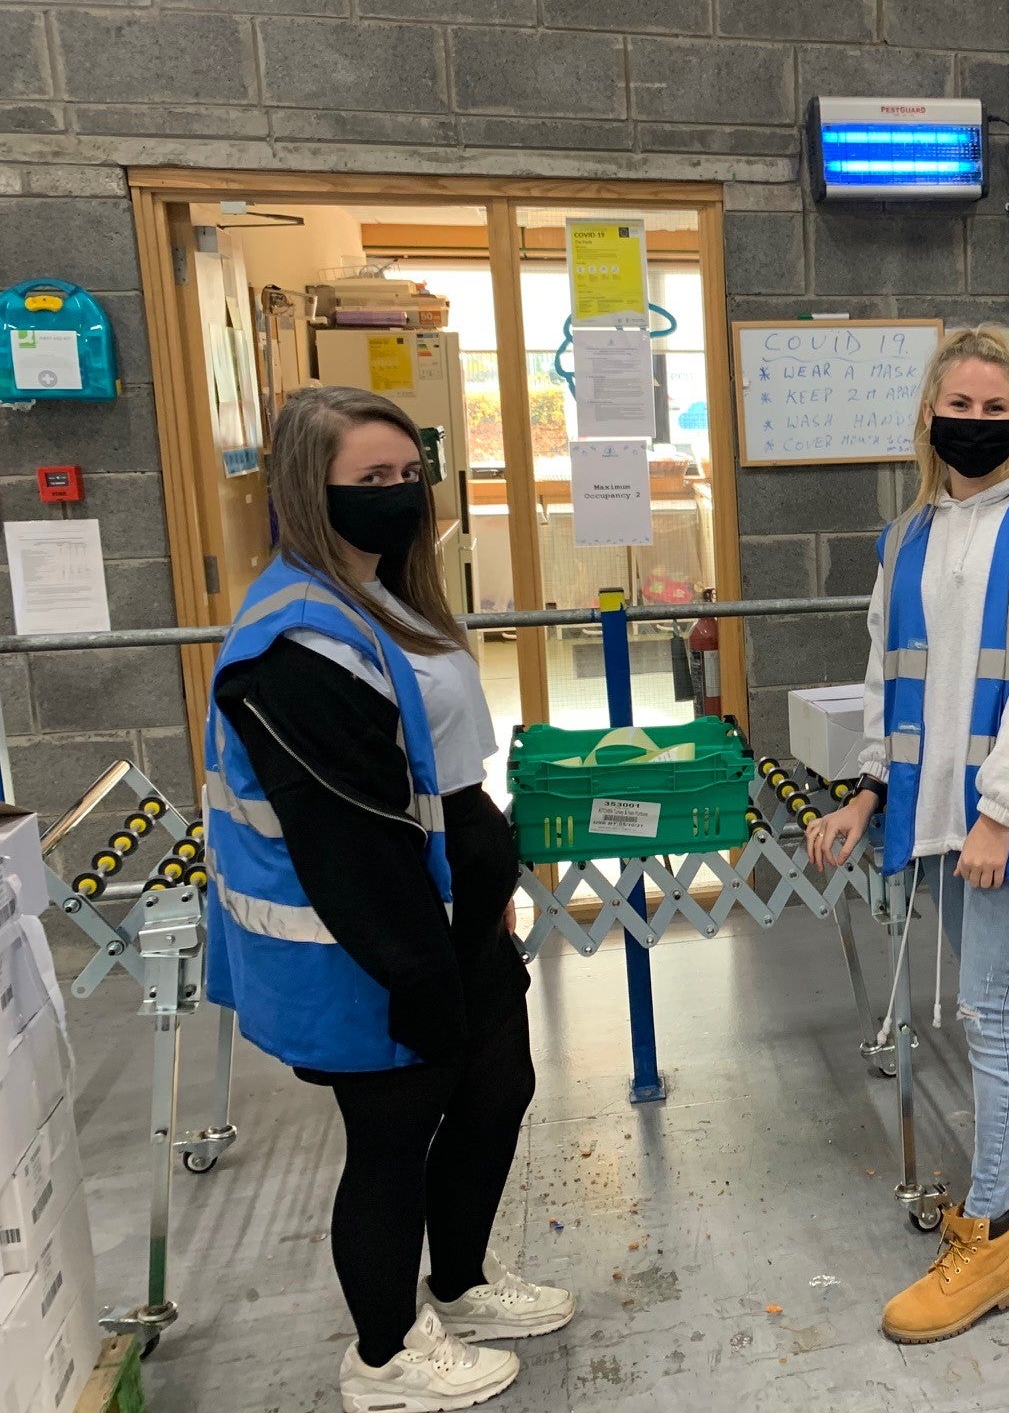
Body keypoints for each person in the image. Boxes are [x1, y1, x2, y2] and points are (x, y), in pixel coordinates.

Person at [203, 387, 575, 1413]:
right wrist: (416, 966)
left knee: (498, 1090)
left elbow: (443, 769)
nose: (399, 496)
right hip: (372, 943)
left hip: (456, 912)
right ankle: (382, 1356)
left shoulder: (393, 593)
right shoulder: (299, 643)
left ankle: (456, 1287)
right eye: (370, 480)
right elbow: (349, 846)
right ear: (307, 490)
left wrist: (482, 899)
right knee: (394, 1136)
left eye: (409, 475)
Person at [805, 326, 1009, 1345]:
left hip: (1006, 820)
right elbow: (887, 670)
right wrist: (865, 792)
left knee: (986, 1014)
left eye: (995, 409)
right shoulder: (910, 535)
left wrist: (998, 810)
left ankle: (988, 1238)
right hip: (938, 816)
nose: (975, 424)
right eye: (959, 407)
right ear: (929, 415)